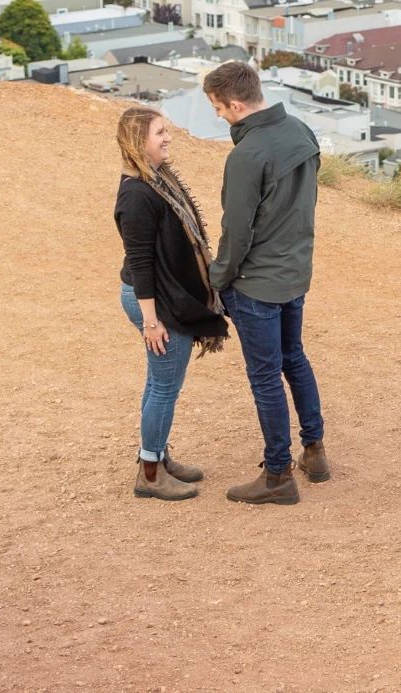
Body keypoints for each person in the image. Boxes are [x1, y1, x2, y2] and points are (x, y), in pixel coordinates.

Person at [203, 60, 328, 505]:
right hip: (296, 272)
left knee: (265, 377)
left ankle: (277, 476)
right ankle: (314, 451)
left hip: (257, 283)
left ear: (236, 103)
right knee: (294, 357)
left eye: (218, 108)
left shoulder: (247, 155)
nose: (219, 116)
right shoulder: (300, 130)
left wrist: (218, 279)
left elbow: (236, 232)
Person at [114, 106, 228, 501]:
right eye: (159, 132)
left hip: (162, 296)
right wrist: (151, 321)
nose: (167, 138)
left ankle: (158, 457)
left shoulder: (157, 181)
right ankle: (149, 472)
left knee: (158, 382)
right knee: (165, 386)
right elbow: (141, 263)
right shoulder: (137, 194)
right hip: (154, 302)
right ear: (138, 141)